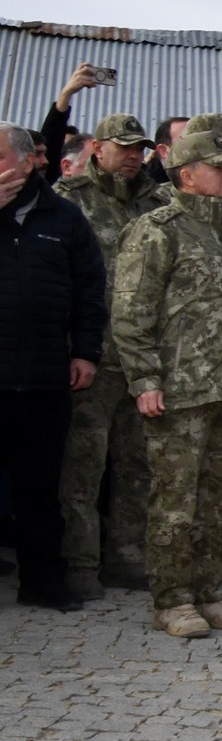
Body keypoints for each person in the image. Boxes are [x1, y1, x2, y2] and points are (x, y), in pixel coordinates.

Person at [113, 127, 222, 638]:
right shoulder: (157, 229)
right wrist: (144, 378)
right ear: (187, 175)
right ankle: (172, 600)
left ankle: (209, 592)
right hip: (179, 387)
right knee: (174, 500)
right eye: (218, 167)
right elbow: (131, 311)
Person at [0, 122, 108, 611]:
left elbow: (89, 289)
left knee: (41, 488)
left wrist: (86, 352)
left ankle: (42, 582)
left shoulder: (64, 217)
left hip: (45, 376)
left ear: (28, 162)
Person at [55, 110, 162, 600]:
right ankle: (79, 561)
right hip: (91, 354)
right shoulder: (69, 200)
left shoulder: (156, 203)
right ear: (97, 149)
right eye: (124, 148)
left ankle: (126, 555)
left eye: (139, 149)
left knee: (138, 464)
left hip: (142, 357)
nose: (134, 157)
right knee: (83, 465)